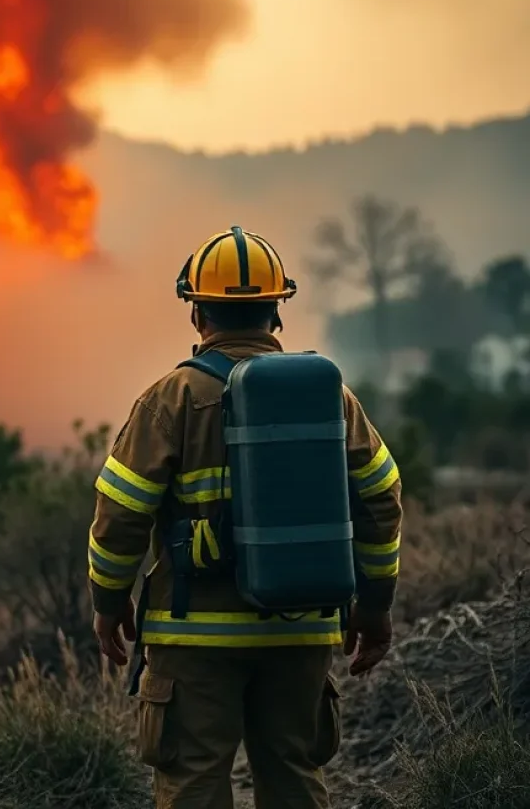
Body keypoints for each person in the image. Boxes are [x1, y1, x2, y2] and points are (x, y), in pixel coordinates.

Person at [87, 227, 402, 809]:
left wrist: (109, 604)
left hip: (194, 636)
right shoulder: (331, 397)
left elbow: (121, 513)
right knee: (292, 774)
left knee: (194, 779)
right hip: (301, 625)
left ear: (197, 312)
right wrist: (374, 606)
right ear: (277, 310)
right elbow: (383, 495)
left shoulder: (171, 399)